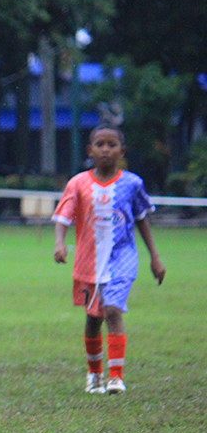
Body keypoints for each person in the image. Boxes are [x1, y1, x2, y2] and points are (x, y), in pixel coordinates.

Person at [53, 124, 166, 394]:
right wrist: (60, 243)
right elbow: (63, 216)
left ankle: (116, 377)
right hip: (89, 261)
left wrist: (154, 257)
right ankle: (95, 374)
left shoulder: (132, 184)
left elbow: (141, 219)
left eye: (111, 145)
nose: (105, 149)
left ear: (121, 151)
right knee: (93, 319)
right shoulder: (78, 183)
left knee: (113, 310)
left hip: (122, 257)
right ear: (90, 150)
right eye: (100, 144)